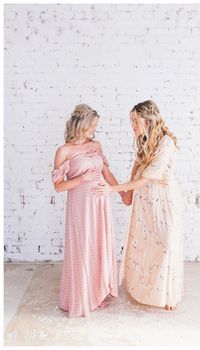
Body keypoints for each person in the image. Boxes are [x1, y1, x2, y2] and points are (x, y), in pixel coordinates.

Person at [92, 100, 184, 311]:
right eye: (131, 121)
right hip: (145, 201)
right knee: (145, 244)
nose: (132, 125)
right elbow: (138, 166)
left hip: (164, 199)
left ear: (147, 119)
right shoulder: (144, 139)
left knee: (167, 243)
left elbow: (148, 177)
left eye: (135, 120)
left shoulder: (166, 143)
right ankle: (143, 290)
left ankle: (168, 294)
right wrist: (129, 193)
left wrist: (112, 189)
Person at [51, 104, 124, 317]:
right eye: (93, 125)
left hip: (101, 202)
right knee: (84, 246)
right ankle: (82, 295)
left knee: (99, 244)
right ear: (82, 125)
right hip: (81, 205)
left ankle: (98, 292)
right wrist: (82, 178)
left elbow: (106, 171)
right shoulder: (64, 151)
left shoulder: (96, 145)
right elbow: (58, 186)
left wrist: (121, 192)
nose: (95, 129)